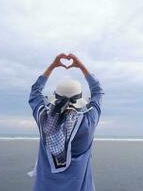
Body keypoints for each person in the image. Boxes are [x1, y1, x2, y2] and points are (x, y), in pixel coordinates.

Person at [28, 53, 104, 191]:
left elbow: (35, 93)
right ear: (80, 101)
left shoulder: (44, 119)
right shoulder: (89, 122)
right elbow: (98, 92)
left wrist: (52, 66)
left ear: (56, 98)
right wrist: (81, 66)